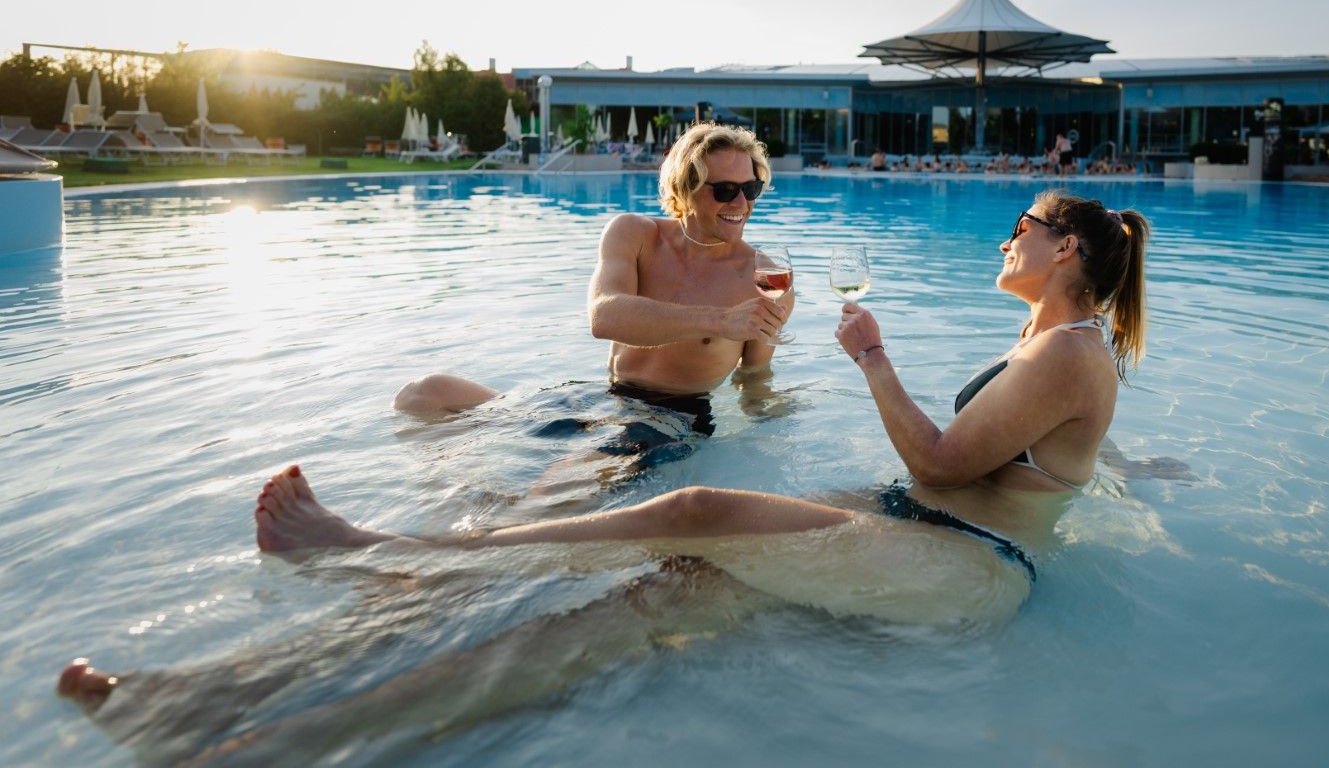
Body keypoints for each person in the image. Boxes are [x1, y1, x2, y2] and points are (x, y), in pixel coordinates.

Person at [58, 192, 1151, 757]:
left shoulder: (1070, 348)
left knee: (693, 507)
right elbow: (1040, 456)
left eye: (1022, 227)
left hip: (967, 565)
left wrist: (871, 359)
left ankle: (396, 554)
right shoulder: (1051, 348)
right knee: (652, 592)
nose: (1004, 239)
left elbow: (946, 459)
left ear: (1064, 251)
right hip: (909, 529)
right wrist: (1128, 471)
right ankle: (229, 723)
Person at [391, 123, 795, 490]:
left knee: (549, 492)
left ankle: (489, 526)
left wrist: (774, 423)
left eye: (751, 188)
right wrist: (721, 320)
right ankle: (469, 491)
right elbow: (604, 316)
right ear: (686, 188)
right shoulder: (636, 235)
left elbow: (754, 377)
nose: (741, 202)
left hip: (672, 418)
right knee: (423, 394)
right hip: (601, 399)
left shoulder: (763, 280)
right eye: (725, 190)